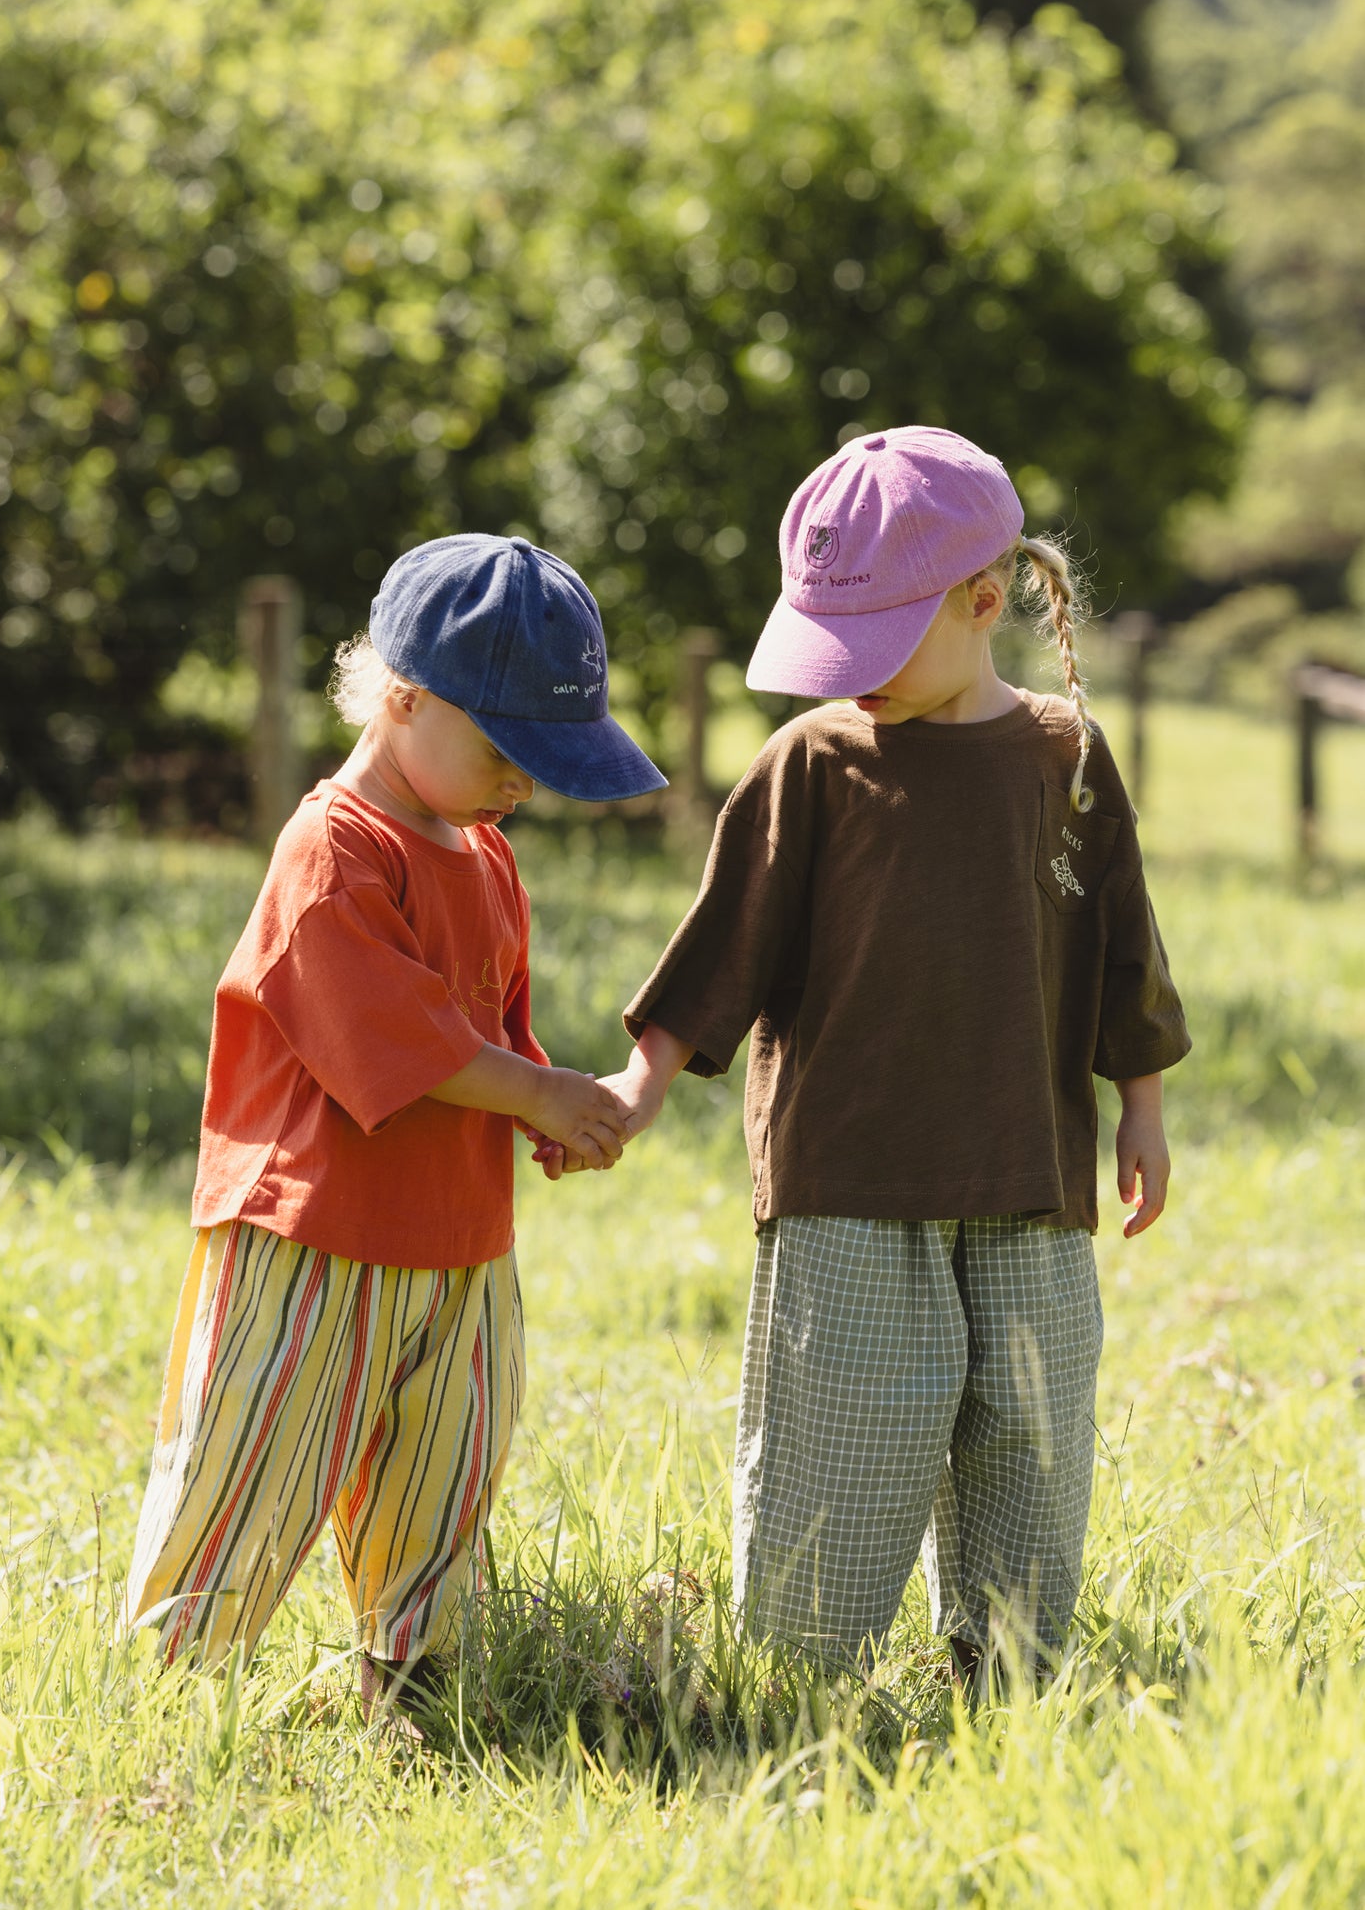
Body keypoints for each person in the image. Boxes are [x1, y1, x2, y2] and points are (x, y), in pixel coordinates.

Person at [602, 428, 1190, 1677]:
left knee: (1029, 1438)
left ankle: (1004, 1663)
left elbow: (1120, 942)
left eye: (873, 645)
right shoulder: (810, 763)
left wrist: (1138, 1107)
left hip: (1029, 1176)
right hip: (847, 1188)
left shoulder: (1064, 755)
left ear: (985, 603)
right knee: (843, 1437)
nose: (846, 678)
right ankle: (794, 1682)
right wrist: (638, 1087)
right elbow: (719, 951)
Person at [123, 533, 665, 1715]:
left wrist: (539, 1105)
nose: (524, 782)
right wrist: (533, 1089)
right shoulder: (333, 852)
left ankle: (414, 1692)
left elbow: (489, 1030)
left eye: (545, 759)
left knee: (443, 1472)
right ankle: (171, 1698)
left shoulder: (484, 853)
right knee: (253, 1474)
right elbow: (392, 1038)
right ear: (402, 699)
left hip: (461, 1244)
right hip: (311, 1239)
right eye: (504, 750)